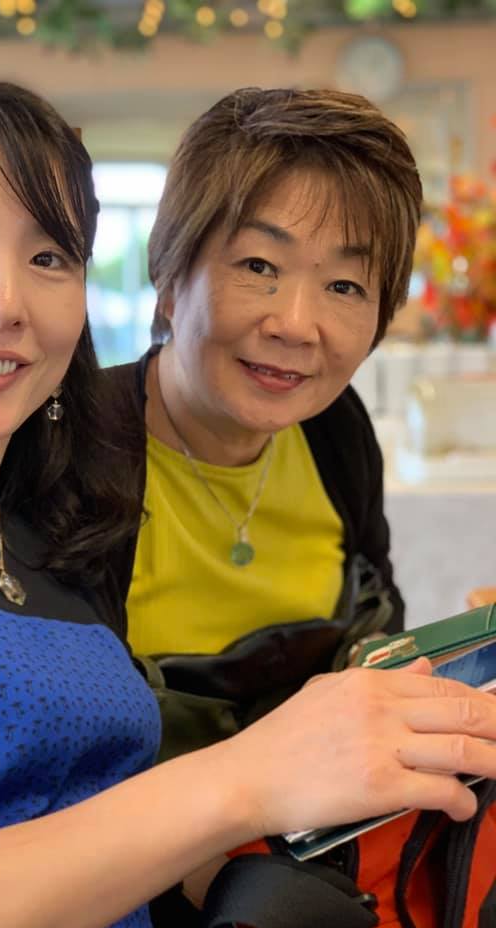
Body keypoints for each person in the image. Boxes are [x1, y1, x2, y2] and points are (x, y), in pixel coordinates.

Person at [0, 81, 496, 928]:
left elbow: (89, 800)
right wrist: (244, 783)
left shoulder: (35, 513)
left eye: (50, 257)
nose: (296, 323)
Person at [105, 88, 421, 734]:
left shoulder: (336, 430)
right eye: (259, 265)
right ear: (169, 276)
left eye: (344, 286)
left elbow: (380, 628)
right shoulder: (71, 445)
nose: (297, 325)